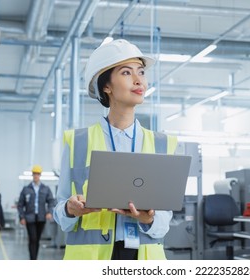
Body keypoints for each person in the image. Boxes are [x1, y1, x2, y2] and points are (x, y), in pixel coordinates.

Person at [53, 39, 178, 260]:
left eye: (141, 72)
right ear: (106, 86)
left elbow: (164, 225)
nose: (139, 80)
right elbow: (60, 214)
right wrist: (70, 209)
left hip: (144, 258)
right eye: (127, 73)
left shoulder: (162, 144)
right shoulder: (77, 142)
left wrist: (149, 219)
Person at [17, 165, 55, 260]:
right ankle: (32, 259)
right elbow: (20, 204)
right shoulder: (26, 189)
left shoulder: (45, 189)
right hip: (29, 218)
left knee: (37, 240)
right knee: (32, 238)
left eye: (37, 174)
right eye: (34, 174)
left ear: (40, 175)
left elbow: (51, 201)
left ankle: (35, 258)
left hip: (41, 218)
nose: (36, 176)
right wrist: (21, 217)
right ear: (32, 175)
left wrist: (49, 212)